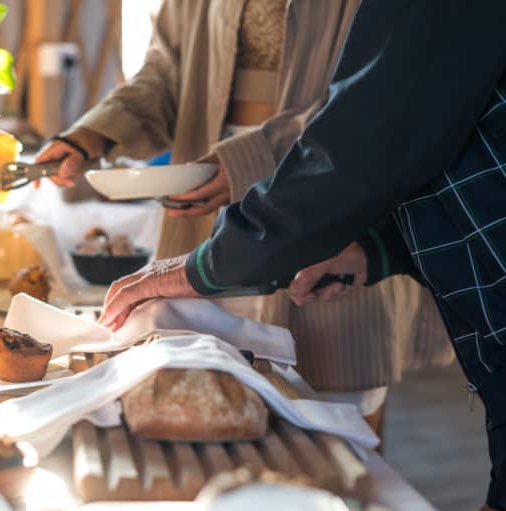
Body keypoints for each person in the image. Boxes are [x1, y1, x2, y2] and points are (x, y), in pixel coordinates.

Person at [97, 1, 506, 508]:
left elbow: (369, 126)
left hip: (295, 216)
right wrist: (381, 251)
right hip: (295, 230)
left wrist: (212, 262)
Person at [36, 0, 451, 433]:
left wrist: (247, 161)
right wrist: (94, 134)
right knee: (207, 400)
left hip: (328, 196)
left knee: (337, 415)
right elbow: (166, 72)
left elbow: (373, 104)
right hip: (206, 203)